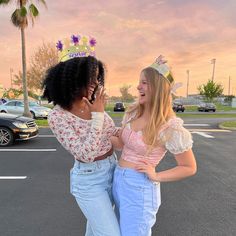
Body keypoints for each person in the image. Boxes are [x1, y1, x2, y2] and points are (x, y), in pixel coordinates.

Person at [42, 35, 121, 236]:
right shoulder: (58, 116)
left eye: (97, 76)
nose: (95, 81)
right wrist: (97, 115)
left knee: (96, 231)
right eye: (89, 76)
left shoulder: (93, 103)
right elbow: (85, 154)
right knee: (110, 233)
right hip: (89, 179)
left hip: (113, 169)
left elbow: (112, 134)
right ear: (72, 78)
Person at [111, 55, 197, 236]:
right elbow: (121, 144)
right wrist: (98, 130)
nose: (138, 87)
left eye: (144, 83)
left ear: (157, 89)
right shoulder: (133, 113)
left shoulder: (169, 126)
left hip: (140, 189)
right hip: (118, 181)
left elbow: (188, 167)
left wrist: (157, 175)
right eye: (139, 82)